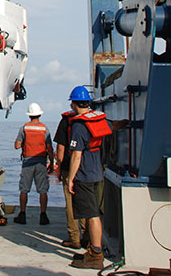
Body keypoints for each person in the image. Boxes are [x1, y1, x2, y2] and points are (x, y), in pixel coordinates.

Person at [66, 86, 112, 269]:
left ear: (74, 103)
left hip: (84, 176)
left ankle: (96, 255)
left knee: (91, 216)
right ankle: (95, 250)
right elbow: (112, 127)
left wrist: (70, 178)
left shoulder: (78, 125)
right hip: (97, 174)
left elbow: (76, 155)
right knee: (95, 215)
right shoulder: (100, 120)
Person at [53, 96, 86, 248]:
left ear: (73, 103)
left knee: (71, 203)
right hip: (88, 169)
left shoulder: (66, 121)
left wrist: (59, 169)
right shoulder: (92, 120)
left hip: (69, 167)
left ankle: (74, 238)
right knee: (87, 204)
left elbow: (60, 149)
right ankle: (87, 236)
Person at [13, 102, 54, 225]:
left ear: (29, 115)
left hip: (27, 163)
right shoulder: (45, 129)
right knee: (43, 190)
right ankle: (43, 215)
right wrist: (51, 164)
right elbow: (50, 148)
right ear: (39, 115)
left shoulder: (24, 128)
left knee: (24, 189)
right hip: (41, 162)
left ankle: (22, 214)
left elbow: (17, 145)